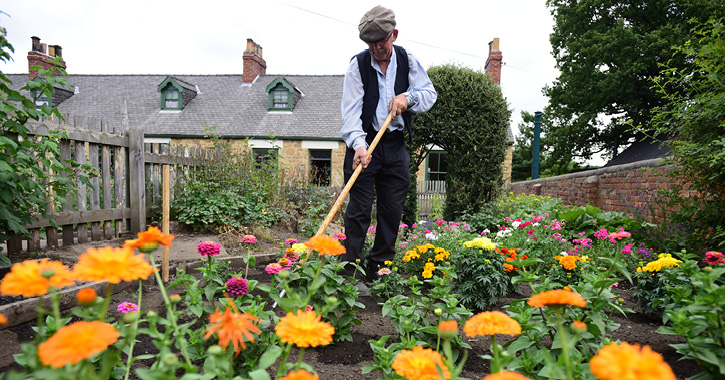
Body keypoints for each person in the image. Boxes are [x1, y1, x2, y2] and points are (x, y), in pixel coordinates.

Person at [339, 5, 437, 289]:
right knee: (358, 209)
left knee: (392, 210)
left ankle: (380, 267)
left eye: (381, 41)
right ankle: (350, 271)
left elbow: (429, 94)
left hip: (394, 146)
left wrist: (407, 97)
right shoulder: (357, 66)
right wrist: (358, 145)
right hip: (364, 144)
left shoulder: (408, 60)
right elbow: (351, 113)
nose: (376, 48)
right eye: (370, 43)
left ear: (394, 34)